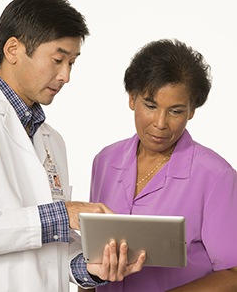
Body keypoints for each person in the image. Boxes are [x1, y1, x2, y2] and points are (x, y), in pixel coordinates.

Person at [0, 0, 146, 292]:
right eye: (58, 59)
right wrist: (64, 214)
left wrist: (90, 268)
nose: (66, 76)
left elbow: (50, 252)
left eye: (72, 63)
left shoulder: (51, 140)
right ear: (13, 49)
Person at [87, 39, 237, 291]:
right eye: (150, 105)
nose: (160, 123)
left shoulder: (215, 176)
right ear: (132, 98)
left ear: (191, 111)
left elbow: (233, 273)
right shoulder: (105, 161)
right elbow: (92, 255)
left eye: (176, 111)